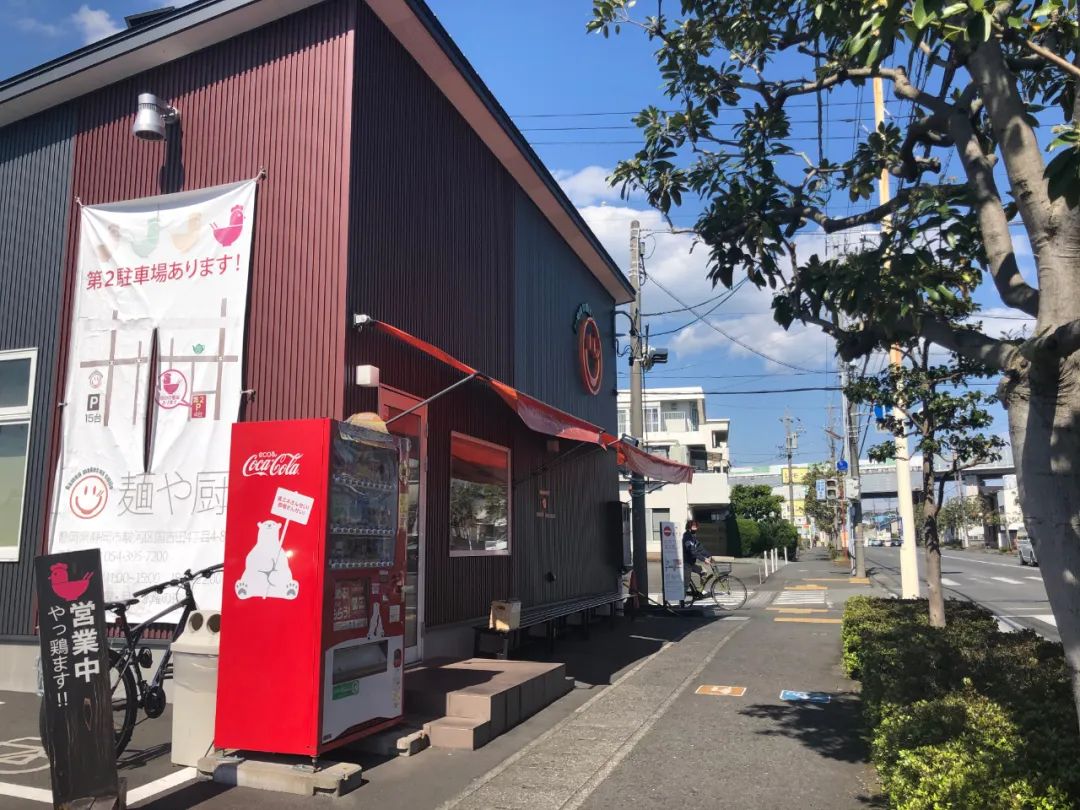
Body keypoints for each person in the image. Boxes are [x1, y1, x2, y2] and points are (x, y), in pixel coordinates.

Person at [682, 520, 710, 595]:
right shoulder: (687, 537)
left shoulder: (693, 537)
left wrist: (709, 556)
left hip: (691, 563)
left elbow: (700, 548)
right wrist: (704, 559)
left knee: (703, 572)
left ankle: (700, 590)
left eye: (696, 525)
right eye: (693, 525)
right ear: (689, 526)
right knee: (686, 584)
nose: (695, 527)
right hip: (686, 564)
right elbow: (692, 551)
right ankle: (681, 603)